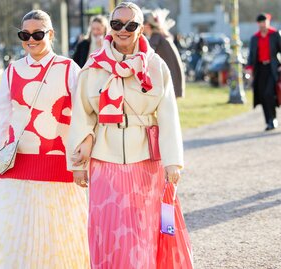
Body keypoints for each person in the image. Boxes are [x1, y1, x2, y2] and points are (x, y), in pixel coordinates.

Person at [67, 2, 193, 268]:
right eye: (116, 24)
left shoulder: (156, 67)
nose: (122, 30)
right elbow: (81, 115)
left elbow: (169, 117)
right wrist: (77, 165)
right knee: (108, 231)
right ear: (110, 28)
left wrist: (173, 162)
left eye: (131, 25)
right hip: (104, 160)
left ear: (141, 29)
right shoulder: (93, 67)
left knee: (141, 231)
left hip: (146, 162)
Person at [0, 10, 90, 269]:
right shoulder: (12, 70)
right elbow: (3, 116)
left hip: (59, 165)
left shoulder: (69, 68)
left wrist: (81, 158)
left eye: (37, 33)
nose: (30, 39)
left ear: (51, 34)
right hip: (18, 165)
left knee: (60, 232)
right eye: (25, 34)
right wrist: (1, 155)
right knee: (17, 229)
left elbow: (83, 115)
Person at [246, 13, 281, 131]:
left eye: (264, 22)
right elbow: (251, 55)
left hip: (272, 69)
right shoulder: (254, 38)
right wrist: (249, 70)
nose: (262, 24)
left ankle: (273, 118)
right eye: (260, 22)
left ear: (268, 22)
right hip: (260, 69)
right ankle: (269, 121)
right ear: (258, 24)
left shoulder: (275, 35)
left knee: (269, 93)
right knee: (262, 95)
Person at [143, 9, 185, 98]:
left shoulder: (155, 38)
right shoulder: (162, 36)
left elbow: (146, 54)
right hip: (173, 75)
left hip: (168, 78)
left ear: (147, 25)